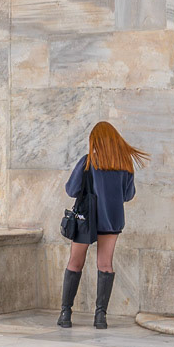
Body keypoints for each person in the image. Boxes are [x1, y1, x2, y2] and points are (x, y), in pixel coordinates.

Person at [58, 121, 148, 329]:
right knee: (105, 265)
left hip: (85, 219)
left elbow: (72, 190)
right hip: (112, 220)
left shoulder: (87, 162)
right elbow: (128, 195)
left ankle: (65, 314)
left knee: (75, 263)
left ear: (95, 141)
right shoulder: (125, 165)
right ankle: (100, 317)